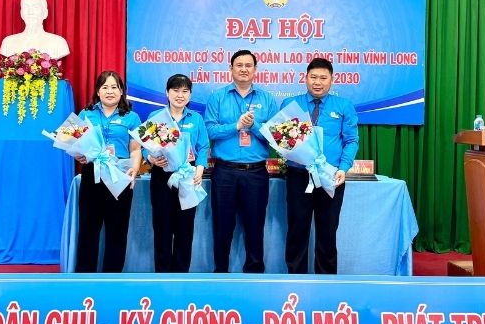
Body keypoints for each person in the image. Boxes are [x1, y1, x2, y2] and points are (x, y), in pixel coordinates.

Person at [282, 57, 359, 274]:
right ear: (305, 78)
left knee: (327, 232)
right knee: (297, 230)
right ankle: (295, 280)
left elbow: (351, 140)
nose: (318, 82)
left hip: (331, 176)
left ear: (332, 80)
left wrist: (343, 168)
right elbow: (283, 140)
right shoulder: (291, 105)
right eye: (313, 77)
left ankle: (327, 283)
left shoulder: (344, 106)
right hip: (299, 175)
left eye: (323, 78)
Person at [205, 49, 278, 273]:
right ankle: (220, 273)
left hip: (256, 173)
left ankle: (254, 274)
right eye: (239, 65)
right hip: (224, 172)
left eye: (248, 65)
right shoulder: (217, 97)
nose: (244, 69)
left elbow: (277, 136)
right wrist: (236, 126)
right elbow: (210, 131)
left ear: (255, 70)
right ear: (231, 69)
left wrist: (253, 126)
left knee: (255, 226)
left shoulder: (267, 99)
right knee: (222, 226)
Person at [74, 71, 142, 273]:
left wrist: (134, 171)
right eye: (105, 87)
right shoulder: (86, 114)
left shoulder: (131, 117)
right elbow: (75, 145)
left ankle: (112, 278)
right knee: (88, 229)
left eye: (114, 87)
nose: (110, 91)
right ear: (98, 91)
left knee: (117, 229)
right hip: (92, 173)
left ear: (121, 91)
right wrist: (78, 155)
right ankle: (84, 278)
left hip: (120, 174)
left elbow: (136, 149)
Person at [146, 74, 209, 272]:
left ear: (190, 95)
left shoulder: (196, 119)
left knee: (185, 229)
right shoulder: (155, 118)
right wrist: (151, 159)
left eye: (184, 91)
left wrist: (199, 169)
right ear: (167, 92)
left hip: (188, 177)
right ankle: (162, 277)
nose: (180, 95)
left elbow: (204, 146)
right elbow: (146, 147)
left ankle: (182, 276)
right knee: (162, 229)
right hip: (162, 177)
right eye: (175, 90)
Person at [0, 0, 70, 60]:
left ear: (45, 13)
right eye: (26, 7)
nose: (30, 12)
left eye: (35, 7)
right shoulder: (8, 42)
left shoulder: (58, 42)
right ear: (21, 13)